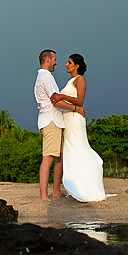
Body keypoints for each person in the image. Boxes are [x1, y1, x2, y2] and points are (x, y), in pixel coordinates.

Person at [50, 53, 108, 202]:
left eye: (69, 62)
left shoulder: (80, 79)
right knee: (70, 151)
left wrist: (62, 97)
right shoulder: (70, 82)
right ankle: (78, 184)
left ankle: (87, 184)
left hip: (75, 120)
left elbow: (80, 101)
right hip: (67, 119)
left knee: (78, 148)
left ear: (77, 66)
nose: (66, 64)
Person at [35, 49, 84, 200]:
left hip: (56, 121)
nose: (57, 62)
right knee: (48, 157)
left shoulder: (43, 76)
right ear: (47, 60)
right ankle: (44, 195)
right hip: (51, 120)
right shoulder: (46, 76)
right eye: (54, 59)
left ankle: (56, 190)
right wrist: (76, 108)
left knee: (60, 157)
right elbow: (56, 100)